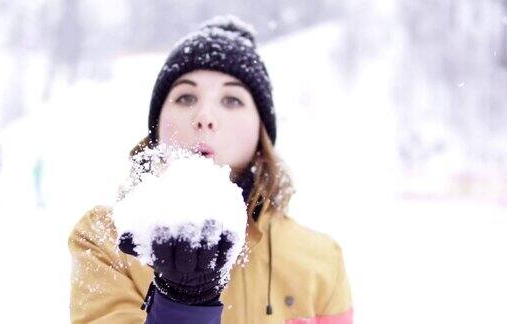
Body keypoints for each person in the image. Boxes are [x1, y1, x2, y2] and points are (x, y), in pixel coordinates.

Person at [68, 15, 353, 324]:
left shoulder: (321, 260)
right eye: (185, 97)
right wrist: (181, 306)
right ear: (156, 128)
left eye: (231, 100)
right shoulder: (105, 239)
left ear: (262, 135)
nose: (204, 116)